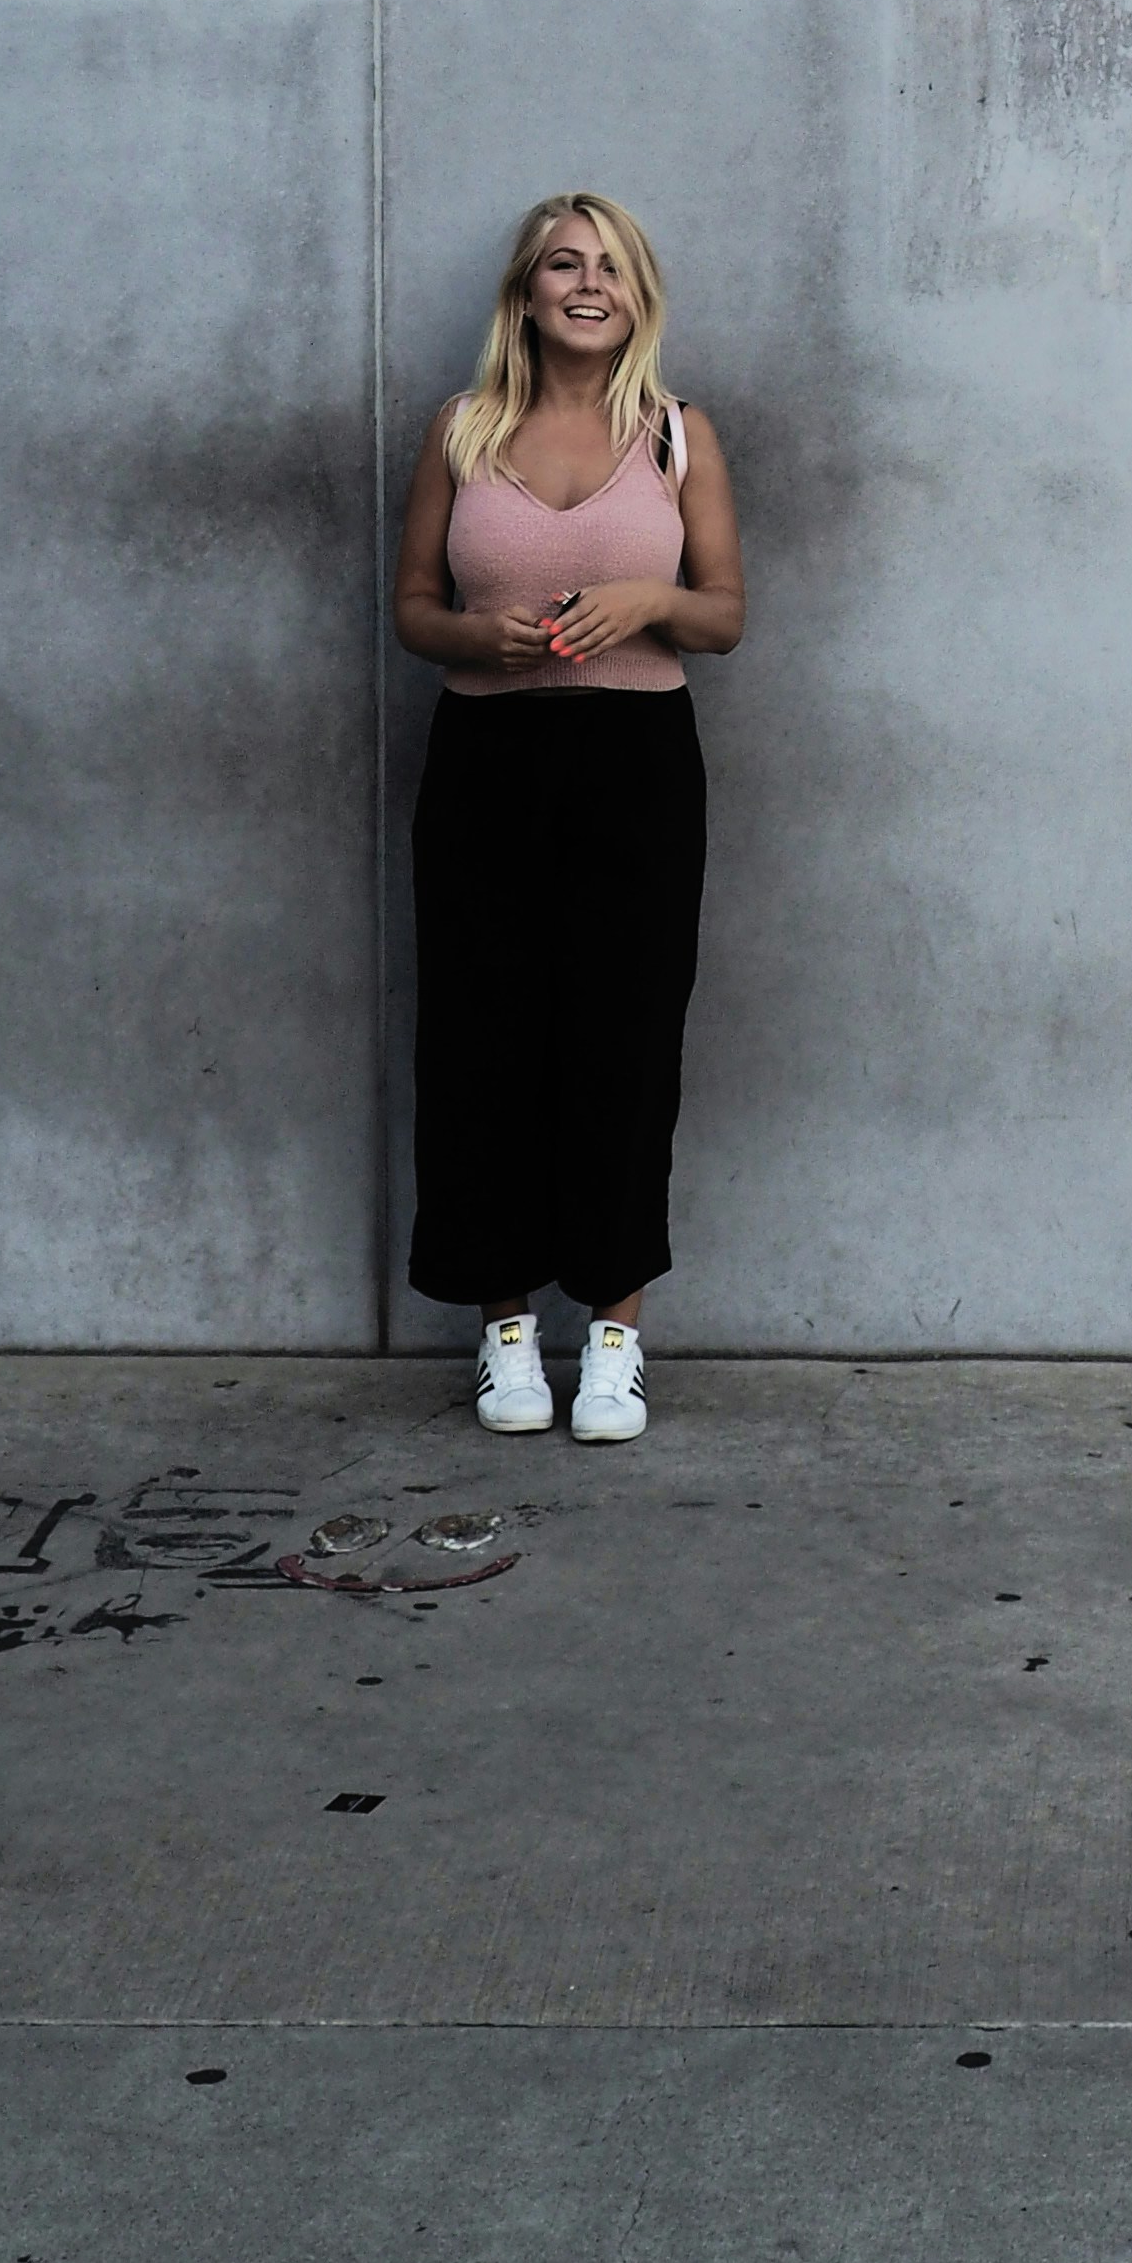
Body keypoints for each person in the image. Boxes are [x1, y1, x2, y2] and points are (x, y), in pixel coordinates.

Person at [393, 192, 744, 1440]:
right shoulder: (460, 431)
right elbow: (413, 610)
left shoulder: (678, 434)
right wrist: (474, 638)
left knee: (625, 1042)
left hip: (637, 761)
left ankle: (611, 1337)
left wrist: (646, 595)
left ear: (638, 293)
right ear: (526, 293)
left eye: (610, 267)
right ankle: (503, 1336)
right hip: (485, 758)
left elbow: (726, 614)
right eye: (562, 265)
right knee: (483, 1038)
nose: (587, 284)